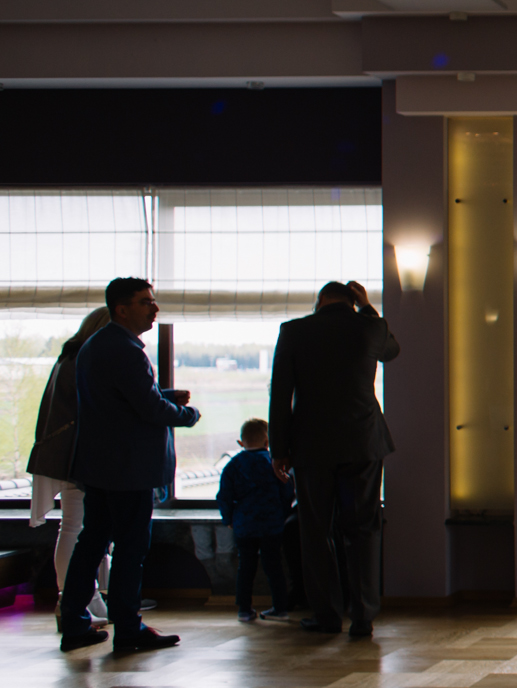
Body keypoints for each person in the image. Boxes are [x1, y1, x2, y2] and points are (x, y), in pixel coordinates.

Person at [59, 278, 199, 653]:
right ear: (122, 309)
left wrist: (162, 395)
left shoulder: (95, 345)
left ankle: (74, 623)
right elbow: (148, 410)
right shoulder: (127, 351)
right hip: (129, 468)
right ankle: (128, 629)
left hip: (99, 466)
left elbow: (116, 401)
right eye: (146, 302)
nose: (155, 309)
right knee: (130, 550)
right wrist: (187, 414)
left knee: (91, 544)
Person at [268, 279, 399, 639]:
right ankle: (363, 617)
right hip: (363, 441)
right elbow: (392, 351)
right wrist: (368, 307)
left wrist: (279, 449)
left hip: (312, 445)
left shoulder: (294, 331)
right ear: (352, 300)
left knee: (315, 531)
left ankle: (326, 615)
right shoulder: (370, 327)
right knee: (363, 529)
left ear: (320, 300)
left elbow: (281, 392)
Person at [27, 307, 114, 629]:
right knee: (77, 527)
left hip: (68, 452)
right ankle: (73, 599)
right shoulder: (85, 360)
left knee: (78, 527)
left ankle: (85, 597)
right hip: (79, 455)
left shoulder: (69, 358)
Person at [216, 418, 295, 622]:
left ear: (241, 442)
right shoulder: (273, 464)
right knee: (274, 566)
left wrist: (228, 518)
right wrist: (283, 514)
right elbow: (287, 491)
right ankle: (280, 608)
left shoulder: (233, 466)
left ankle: (244, 609)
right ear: (268, 442)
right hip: (272, 524)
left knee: (245, 566)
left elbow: (224, 496)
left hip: (244, 525)